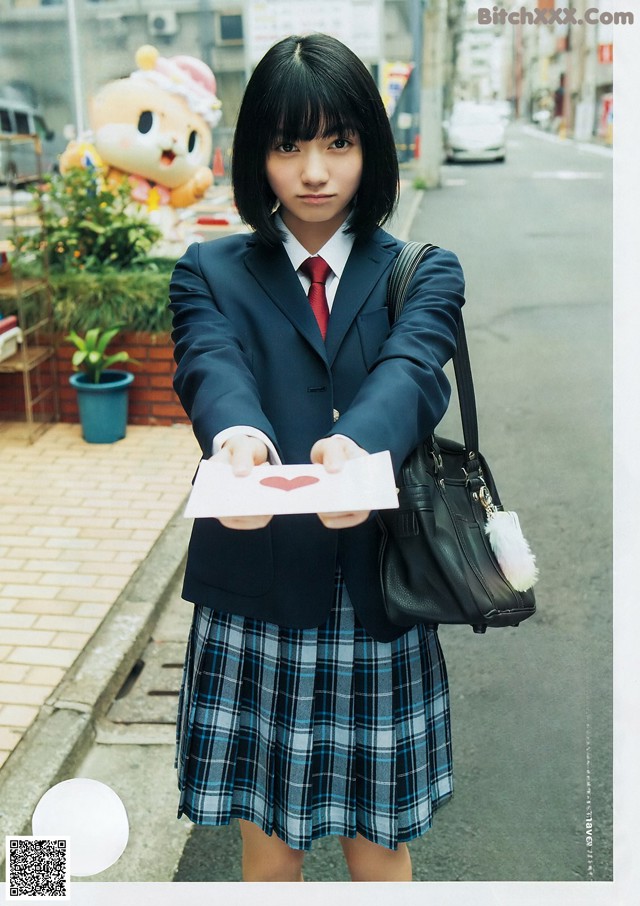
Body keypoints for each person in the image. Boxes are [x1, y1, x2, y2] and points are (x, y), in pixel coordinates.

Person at [169, 32, 465, 882]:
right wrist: (235, 439)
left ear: (369, 146)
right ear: (256, 152)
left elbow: (415, 369)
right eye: (287, 142)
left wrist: (357, 449)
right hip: (257, 592)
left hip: (378, 591)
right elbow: (208, 363)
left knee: (380, 849)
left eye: (338, 140)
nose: (313, 170)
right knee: (267, 856)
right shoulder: (209, 269)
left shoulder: (423, 269)